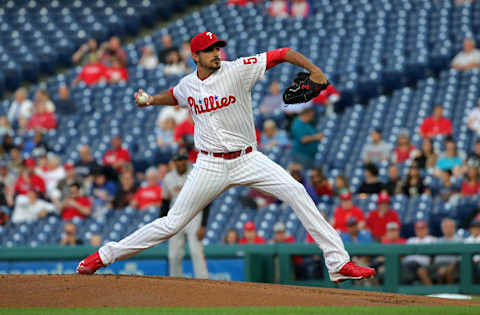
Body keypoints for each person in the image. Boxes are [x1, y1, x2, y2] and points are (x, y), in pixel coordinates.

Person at [77, 31, 375, 282]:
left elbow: (284, 52)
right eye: (208, 50)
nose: (216, 52)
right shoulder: (188, 84)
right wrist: (153, 100)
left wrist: (315, 71)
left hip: (248, 158)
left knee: (297, 191)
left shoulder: (238, 69)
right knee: (172, 223)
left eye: (217, 47)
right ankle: (105, 255)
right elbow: (177, 94)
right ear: (196, 56)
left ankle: (337, 263)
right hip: (210, 163)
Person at [161, 153, 208, 278]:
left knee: (195, 250)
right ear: (174, 162)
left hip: (194, 215)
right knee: (174, 254)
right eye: (177, 160)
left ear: (186, 161)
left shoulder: (196, 175)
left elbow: (206, 200)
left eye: (182, 160)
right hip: (175, 216)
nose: (180, 163)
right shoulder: (168, 178)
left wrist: (203, 225)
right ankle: (175, 281)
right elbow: (165, 202)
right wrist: (163, 222)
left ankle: (203, 280)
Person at [433, 218, 462, 284]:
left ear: (454, 228)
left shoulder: (459, 240)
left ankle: (451, 293)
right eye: (445, 227)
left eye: (449, 226)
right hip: (439, 265)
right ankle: (431, 292)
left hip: (454, 265)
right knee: (423, 270)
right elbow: (435, 258)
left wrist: (449, 267)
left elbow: (461, 258)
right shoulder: (438, 241)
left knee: (449, 270)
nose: (447, 229)